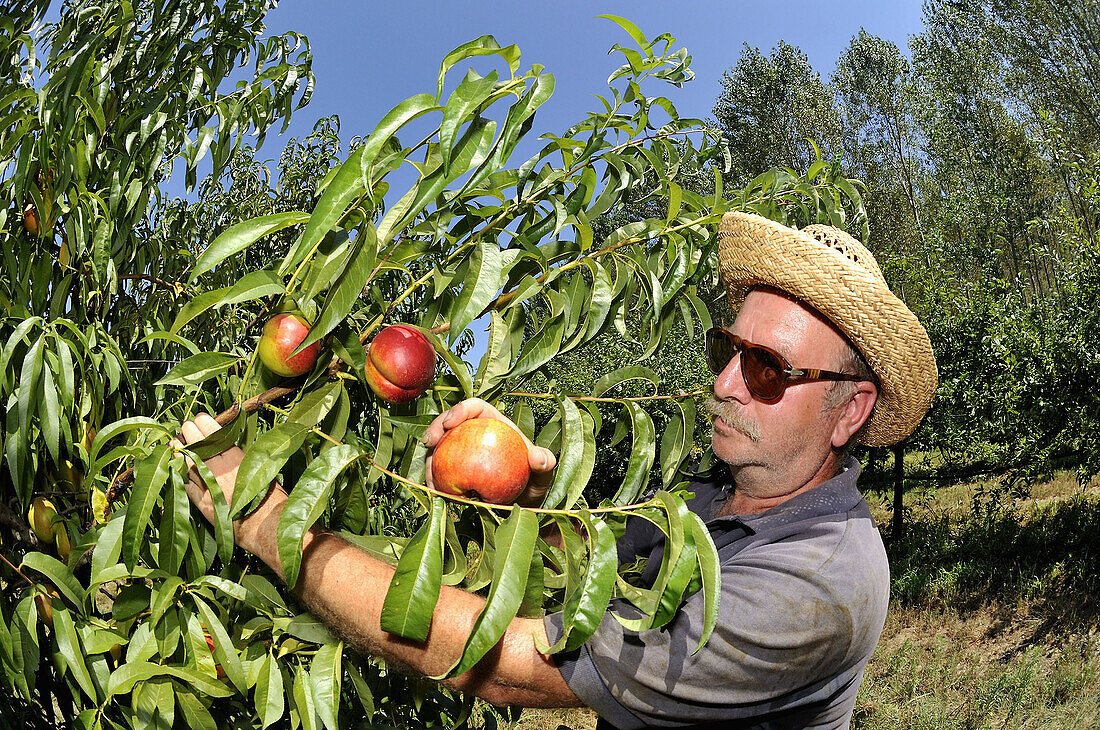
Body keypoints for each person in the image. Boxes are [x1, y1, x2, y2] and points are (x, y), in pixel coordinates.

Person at [174, 211, 937, 729]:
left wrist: (269, 520)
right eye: (725, 352)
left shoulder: (818, 583)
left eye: (766, 370)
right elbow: (578, 585)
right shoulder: (714, 496)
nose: (724, 384)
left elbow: (515, 665)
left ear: (850, 410)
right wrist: (525, 493)